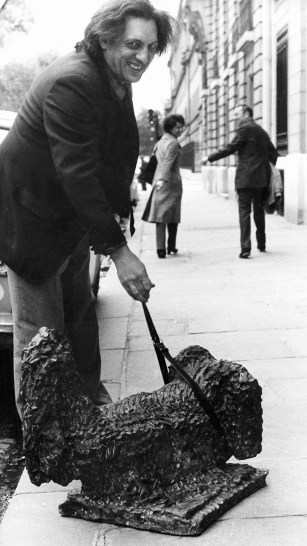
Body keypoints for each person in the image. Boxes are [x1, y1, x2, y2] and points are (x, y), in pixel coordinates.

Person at [0, 0, 177, 417]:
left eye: (151, 48)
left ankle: (94, 414)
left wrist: (116, 214)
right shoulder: (74, 81)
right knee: (41, 339)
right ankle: (48, 444)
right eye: (134, 44)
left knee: (80, 317)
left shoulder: (113, 78)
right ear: (105, 39)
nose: (144, 57)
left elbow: (112, 155)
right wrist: (120, 252)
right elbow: (76, 173)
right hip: (31, 223)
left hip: (70, 220)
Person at [202, 104, 278, 258]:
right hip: (261, 179)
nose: (235, 117)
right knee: (258, 211)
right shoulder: (262, 132)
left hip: (245, 178)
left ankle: (245, 248)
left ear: (246, 114)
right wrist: (263, 168)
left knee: (244, 212)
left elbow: (230, 148)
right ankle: (261, 243)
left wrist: (209, 158)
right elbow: (273, 154)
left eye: (237, 114)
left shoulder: (244, 129)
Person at [142, 114, 185, 258]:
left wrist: (158, 181)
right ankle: (171, 246)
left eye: (181, 127)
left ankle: (161, 248)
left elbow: (155, 162)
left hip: (158, 182)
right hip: (170, 183)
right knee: (172, 215)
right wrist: (163, 179)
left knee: (160, 216)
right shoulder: (173, 143)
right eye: (178, 127)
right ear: (170, 128)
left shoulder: (160, 142)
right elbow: (168, 162)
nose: (181, 130)